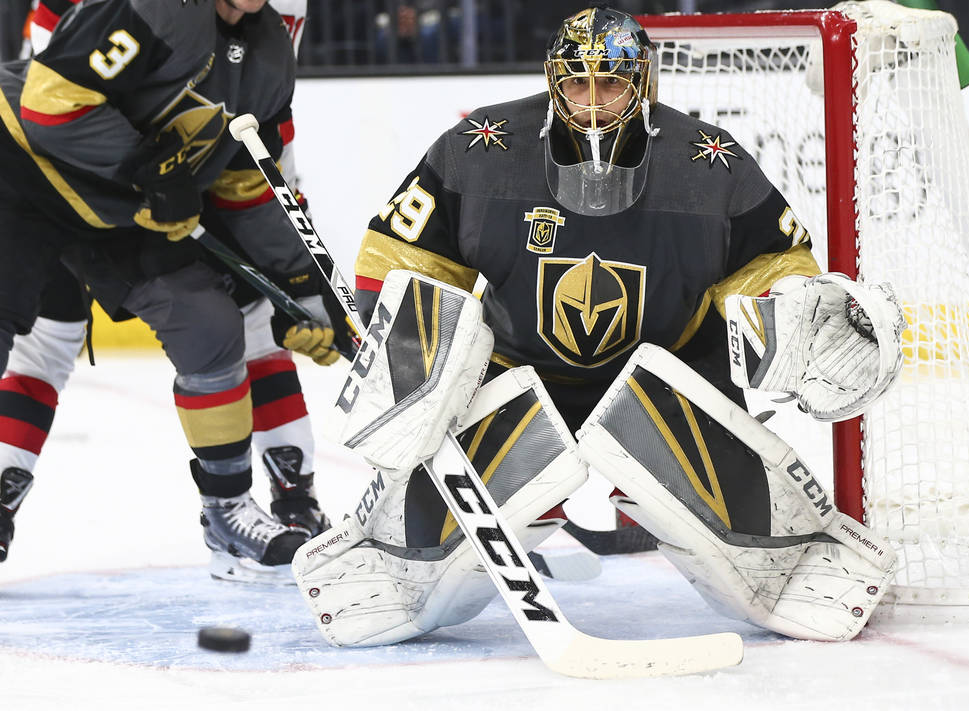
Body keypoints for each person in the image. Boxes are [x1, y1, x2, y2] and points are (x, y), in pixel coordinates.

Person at [295, 5, 907, 646]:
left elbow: (774, 268)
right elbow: (402, 258)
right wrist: (400, 346)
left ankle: (790, 559)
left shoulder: (710, 164)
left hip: (669, 376)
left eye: (610, 83)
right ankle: (397, 565)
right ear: (553, 80)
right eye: (577, 83)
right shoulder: (481, 147)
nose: (591, 103)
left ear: (642, 82)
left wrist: (804, 325)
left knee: (763, 566)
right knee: (418, 567)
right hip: (517, 374)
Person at [0, 0, 342, 583]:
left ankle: (228, 512)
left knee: (209, 324)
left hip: (114, 205)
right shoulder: (160, 8)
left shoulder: (268, 51)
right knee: (33, 333)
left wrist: (303, 281)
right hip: (25, 168)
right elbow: (49, 103)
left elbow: (249, 180)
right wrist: (149, 170)